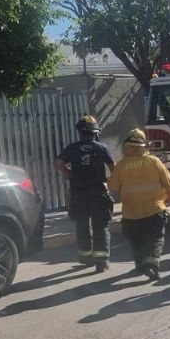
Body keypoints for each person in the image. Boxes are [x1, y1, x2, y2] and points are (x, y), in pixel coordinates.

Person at [107, 129, 170, 280]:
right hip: (154, 210)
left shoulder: (121, 165)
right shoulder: (154, 161)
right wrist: (164, 198)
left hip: (131, 213)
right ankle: (152, 264)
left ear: (127, 146)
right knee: (156, 237)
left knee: (136, 239)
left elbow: (112, 186)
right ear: (144, 145)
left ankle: (140, 265)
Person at [54, 116, 115, 273]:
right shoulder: (102, 148)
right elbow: (114, 167)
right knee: (100, 226)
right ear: (95, 133)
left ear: (79, 132)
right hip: (98, 191)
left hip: (79, 192)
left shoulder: (72, 148)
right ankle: (101, 262)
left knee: (82, 225)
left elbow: (58, 163)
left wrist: (70, 173)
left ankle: (86, 258)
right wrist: (109, 182)